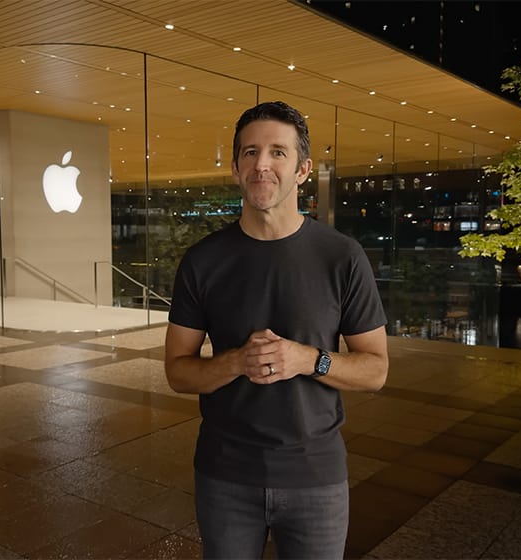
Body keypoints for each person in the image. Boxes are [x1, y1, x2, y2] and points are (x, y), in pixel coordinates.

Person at [164, 101, 389, 559]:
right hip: (224, 475)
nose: (261, 164)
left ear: (303, 169)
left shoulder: (342, 257)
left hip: (316, 479)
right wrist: (234, 362)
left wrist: (308, 359)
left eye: (277, 152)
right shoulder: (203, 261)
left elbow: (375, 369)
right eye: (249, 153)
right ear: (235, 168)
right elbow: (177, 372)